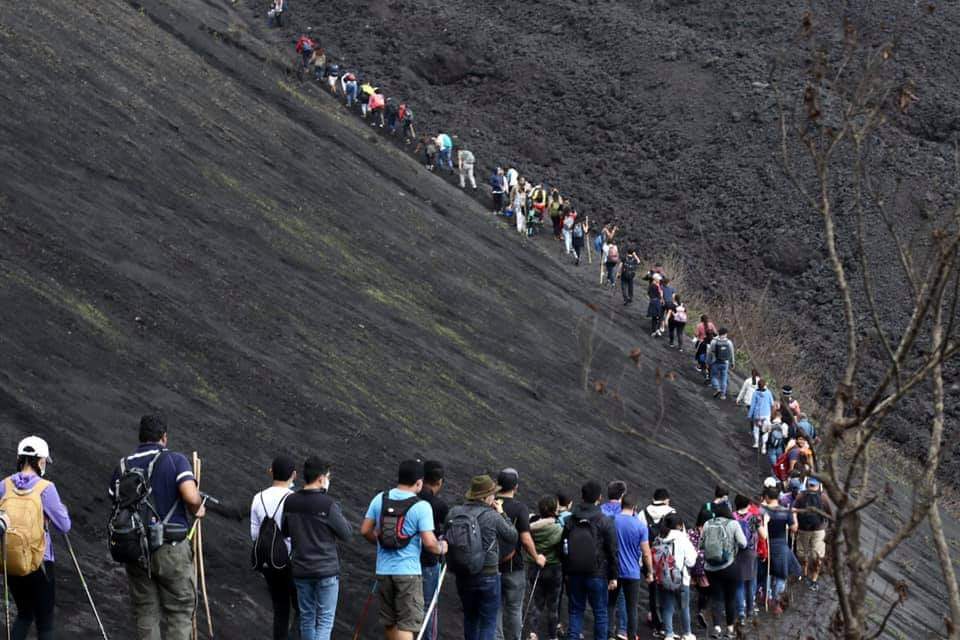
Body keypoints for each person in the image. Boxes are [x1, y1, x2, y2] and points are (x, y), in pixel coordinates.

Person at [111, 415, 204, 640]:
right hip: (170, 547)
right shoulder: (175, 460)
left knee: (145, 609)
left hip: (134, 549)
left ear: (141, 438)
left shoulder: (123, 466)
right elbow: (191, 496)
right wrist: (198, 508)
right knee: (180, 608)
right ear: (164, 437)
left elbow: (115, 502)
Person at [360, 460, 447, 640]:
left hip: (383, 570)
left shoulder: (380, 498)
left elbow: (365, 530)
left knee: (390, 622)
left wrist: (379, 543)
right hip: (408, 573)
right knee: (407, 623)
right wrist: (442, 548)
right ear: (418, 482)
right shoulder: (421, 506)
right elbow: (430, 543)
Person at [0, 437, 70, 640]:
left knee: (24, 615)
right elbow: (64, 525)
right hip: (40, 563)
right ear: (40, 460)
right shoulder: (46, 488)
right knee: (45, 623)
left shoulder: (4, 485)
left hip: (11, 560)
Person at [283, 457, 352, 640]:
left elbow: (285, 530)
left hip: (301, 569)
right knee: (324, 621)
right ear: (321, 478)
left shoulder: (290, 501)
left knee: (307, 618)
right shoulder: (328, 504)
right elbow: (346, 534)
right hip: (326, 570)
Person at [446, 476, 518, 640]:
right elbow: (512, 535)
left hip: (463, 574)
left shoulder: (454, 512)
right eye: (493, 494)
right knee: (488, 621)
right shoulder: (492, 516)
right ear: (486, 497)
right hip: (488, 575)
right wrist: (501, 512)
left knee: (470, 618)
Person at [562, 481, 618, 640]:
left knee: (575, 611)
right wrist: (613, 575)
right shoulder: (605, 521)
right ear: (599, 498)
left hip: (574, 573)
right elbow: (613, 550)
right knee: (600, 613)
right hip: (597, 573)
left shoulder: (571, 520)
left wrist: (566, 570)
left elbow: (564, 547)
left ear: (582, 496)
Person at [250, 456, 298, 640]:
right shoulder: (294, 499)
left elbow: (255, 535)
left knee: (280, 611)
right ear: (293, 475)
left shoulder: (258, 498)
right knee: (302, 609)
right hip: (291, 562)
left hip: (268, 561)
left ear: (271, 472)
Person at [495, 468, 545, 640]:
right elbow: (525, 538)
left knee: (496, 608)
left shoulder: (489, 504)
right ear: (516, 487)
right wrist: (536, 556)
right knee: (515, 609)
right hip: (513, 567)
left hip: (490, 566)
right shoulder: (519, 508)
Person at [701, 503, 746, 639]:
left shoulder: (708, 524)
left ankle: (716, 628)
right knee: (730, 598)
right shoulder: (734, 524)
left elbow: (701, 545)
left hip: (710, 568)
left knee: (716, 598)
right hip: (729, 566)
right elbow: (743, 543)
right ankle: (730, 629)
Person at [610, 495, 652, 640]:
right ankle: (632, 635)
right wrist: (650, 572)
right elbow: (646, 553)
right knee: (632, 608)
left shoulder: (612, 521)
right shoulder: (640, 526)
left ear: (621, 505)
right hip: (633, 573)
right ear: (634, 507)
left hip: (614, 571)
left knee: (610, 604)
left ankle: (609, 634)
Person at [524, 496, 564, 640]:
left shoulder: (530, 528)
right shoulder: (558, 529)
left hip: (534, 567)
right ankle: (552, 636)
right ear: (554, 510)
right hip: (554, 569)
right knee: (553, 605)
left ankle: (533, 633)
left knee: (537, 602)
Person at [653, 513, 697, 640]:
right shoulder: (683, 538)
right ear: (679, 525)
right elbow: (691, 561)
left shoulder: (659, 538)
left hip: (664, 578)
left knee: (667, 607)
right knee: (684, 607)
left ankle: (669, 634)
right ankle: (687, 633)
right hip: (681, 578)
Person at [419, 461, 449, 640]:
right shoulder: (438, 505)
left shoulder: (410, 498)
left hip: (403, 561)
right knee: (428, 607)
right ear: (439, 482)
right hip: (429, 561)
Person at [641, 489, 676, 634]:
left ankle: (655, 621)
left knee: (652, 590)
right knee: (667, 591)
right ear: (666, 499)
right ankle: (666, 624)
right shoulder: (672, 513)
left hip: (649, 557)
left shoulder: (643, 513)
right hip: (666, 559)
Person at [760, 487, 800, 614]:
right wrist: (794, 515)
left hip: (766, 545)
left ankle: (768, 596)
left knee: (767, 572)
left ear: (767, 497)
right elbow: (794, 528)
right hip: (780, 545)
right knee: (781, 574)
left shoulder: (762, 511)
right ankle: (777, 601)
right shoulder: (785, 511)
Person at [793, 478, 831, 592]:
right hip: (811, 529)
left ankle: (809, 577)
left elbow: (794, 510)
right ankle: (809, 577)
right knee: (809, 554)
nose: (812, 487)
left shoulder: (804, 496)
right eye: (811, 485)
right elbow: (830, 514)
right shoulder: (820, 497)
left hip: (811, 530)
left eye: (812, 485)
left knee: (809, 554)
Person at [732, 495, 766, 622]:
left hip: (736, 553)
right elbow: (764, 536)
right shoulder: (753, 518)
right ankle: (750, 609)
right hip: (751, 552)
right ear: (748, 504)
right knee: (751, 581)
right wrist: (764, 523)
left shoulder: (732, 517)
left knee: (739, 583)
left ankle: (741, 612)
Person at [707, 328, 736, 400]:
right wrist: (733, 363)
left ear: (718, 333)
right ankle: (723, 395)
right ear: (725, 334)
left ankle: (717, 388)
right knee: (724, 378)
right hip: (725, 363)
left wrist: (708, 361)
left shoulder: (714, 342)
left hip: (715, 362)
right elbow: (732, 353)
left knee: (713, 376)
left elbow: (710, 352)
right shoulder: (729, 342)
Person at [748, 379, 776, 450]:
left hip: (757, 415)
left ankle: (756, 443)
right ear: (764, 385)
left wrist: (750, 415)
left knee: (756, 429)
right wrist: (772, 413)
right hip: (766, 415)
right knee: (765, 431)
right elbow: (772, 404)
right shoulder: (768, 393)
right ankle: (763, 446)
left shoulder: (755, 393)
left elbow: (753, 405)